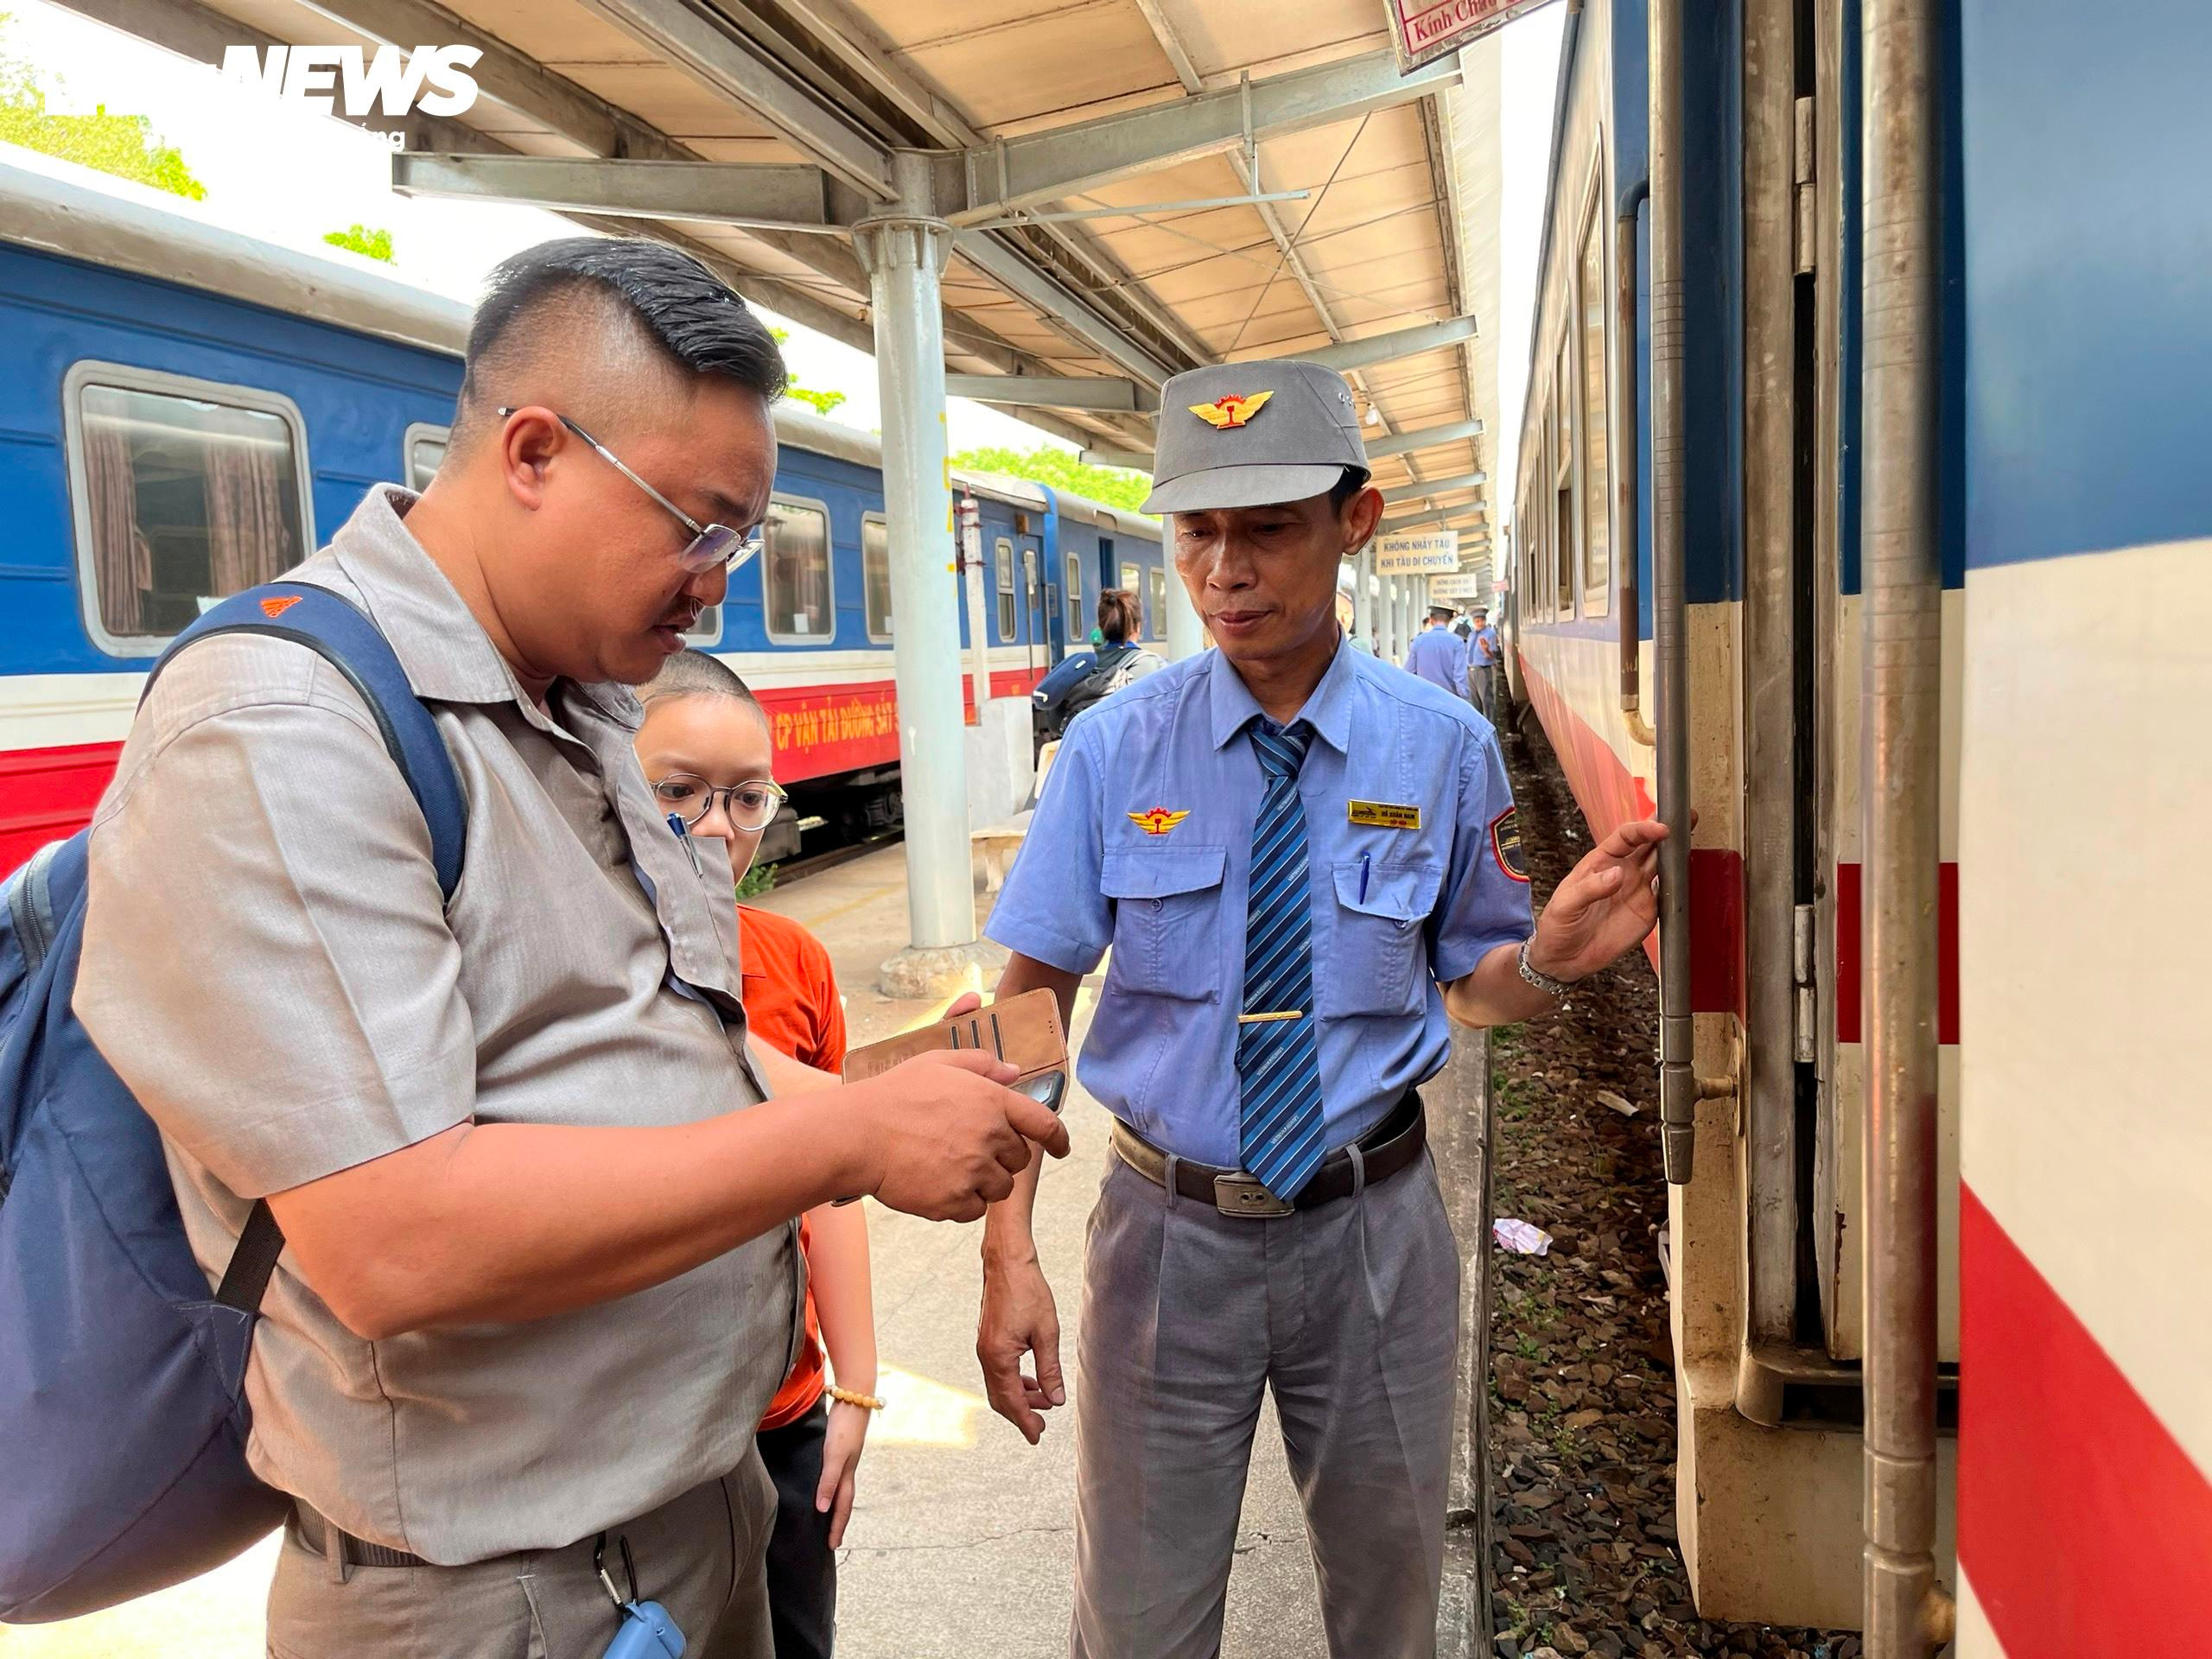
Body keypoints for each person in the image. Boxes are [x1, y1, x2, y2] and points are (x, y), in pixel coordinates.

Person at [74, 237, 1066, 1659]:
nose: (717, 587)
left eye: (739, 542)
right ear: (535, 451)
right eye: (700, 529)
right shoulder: (283, 726)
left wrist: (886, 1096)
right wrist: (846, 1143)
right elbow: (394, 1237)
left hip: (690, 1519)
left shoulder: (589, 700)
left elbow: (657, 1053)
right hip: (502, 1593)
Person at [972, 358, 1669, 1658]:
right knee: (1137, 1620)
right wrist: (1006, 1250)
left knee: (1389, 1607)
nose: (1224, 572)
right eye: (1197, 533)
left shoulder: (1442, 747)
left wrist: (1554, 958)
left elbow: (1475, 989)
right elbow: (1027, 1013)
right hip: (1165, 1246)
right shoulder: (1116, 751)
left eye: (1268, 529)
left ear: (1357, 520)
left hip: (1373, 1240)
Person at [634, 650, 871, 1659]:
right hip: (636, 1434)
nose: (714, 827)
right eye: (677, 791)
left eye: (744, 797)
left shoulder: (793, 960)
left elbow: (830, 1181)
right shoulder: (575, 977)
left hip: (784, 1416)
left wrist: (855, 1385)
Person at [1032, 588, 1166, 743]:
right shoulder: (1153, 665)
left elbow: (1055, 722)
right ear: (1138, 626)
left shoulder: (1079, 668)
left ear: (1101, 628)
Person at [1404, 601, 1470, 700]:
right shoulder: (1457, 642)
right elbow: (1460, 676)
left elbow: (1409, 671)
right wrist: (1465, 697)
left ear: (1431, 620)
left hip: (1424, 698)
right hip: (1449, 698)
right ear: (1449, 621)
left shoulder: (1418, 641)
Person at [1467, 605, 1503, 721]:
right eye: (1477, 621)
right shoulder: (1471, 635)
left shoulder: (1490, 634)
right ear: (1473, 622)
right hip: (1471, 670)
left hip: (1483, 670)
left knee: (1487, 701)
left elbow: (1492, 657)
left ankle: (1490, 725)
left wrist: (1486, 650)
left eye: (1481, 620)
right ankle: (1478, 726)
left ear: (1485, 620)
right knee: (1474, 702)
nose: (1480, 623)